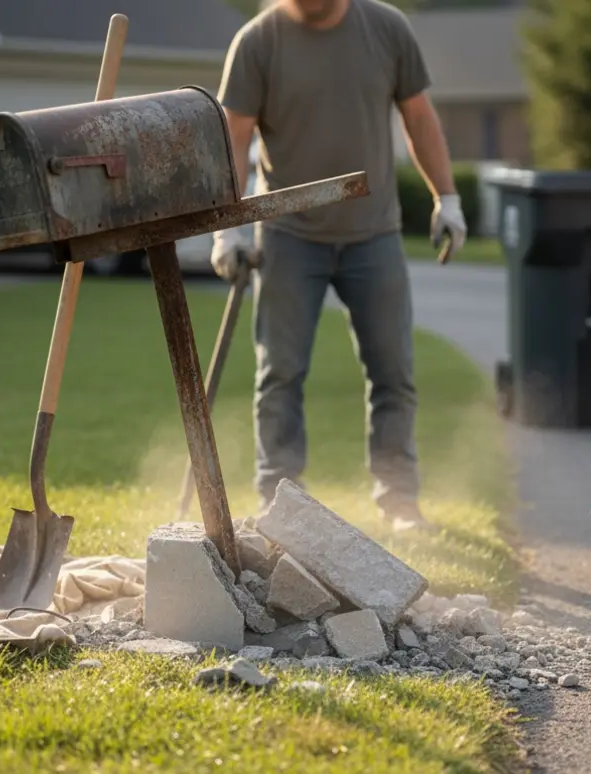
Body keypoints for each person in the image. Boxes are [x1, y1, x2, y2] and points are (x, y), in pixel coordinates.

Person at [212, 0, 467, 531]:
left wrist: (448, 197)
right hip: (287, 235)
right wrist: (228, 226)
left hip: (374, 235)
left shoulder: (387, 29)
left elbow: (418, 116)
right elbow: (234, 136)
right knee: (280, 373)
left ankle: (399, 502)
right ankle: (281, 504)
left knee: (393, 372)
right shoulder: (259, 41)